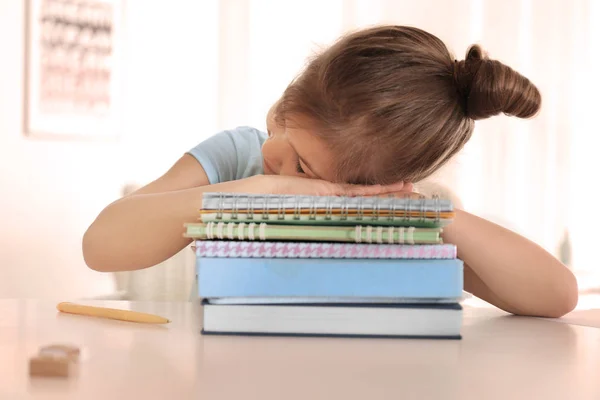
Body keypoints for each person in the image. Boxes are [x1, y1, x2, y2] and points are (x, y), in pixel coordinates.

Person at [82, 25, 578, 318]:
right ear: (287, 104)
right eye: (289, 142)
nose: (278, 164)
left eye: (305, 169)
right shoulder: (240, 159)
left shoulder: (396, 215)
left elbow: (557, 296)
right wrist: (261, 187)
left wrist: (439, 216)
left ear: (375, 188)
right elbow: (101, 245)